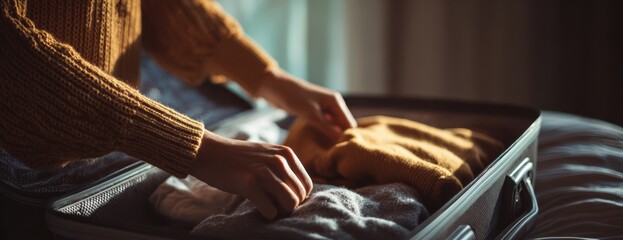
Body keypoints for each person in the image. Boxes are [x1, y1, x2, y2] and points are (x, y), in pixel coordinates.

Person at [0, 0, 356, 220]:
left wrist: (267, 77)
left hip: (109, 118)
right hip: (23, 158)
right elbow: (11, 60)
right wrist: (196, 149)